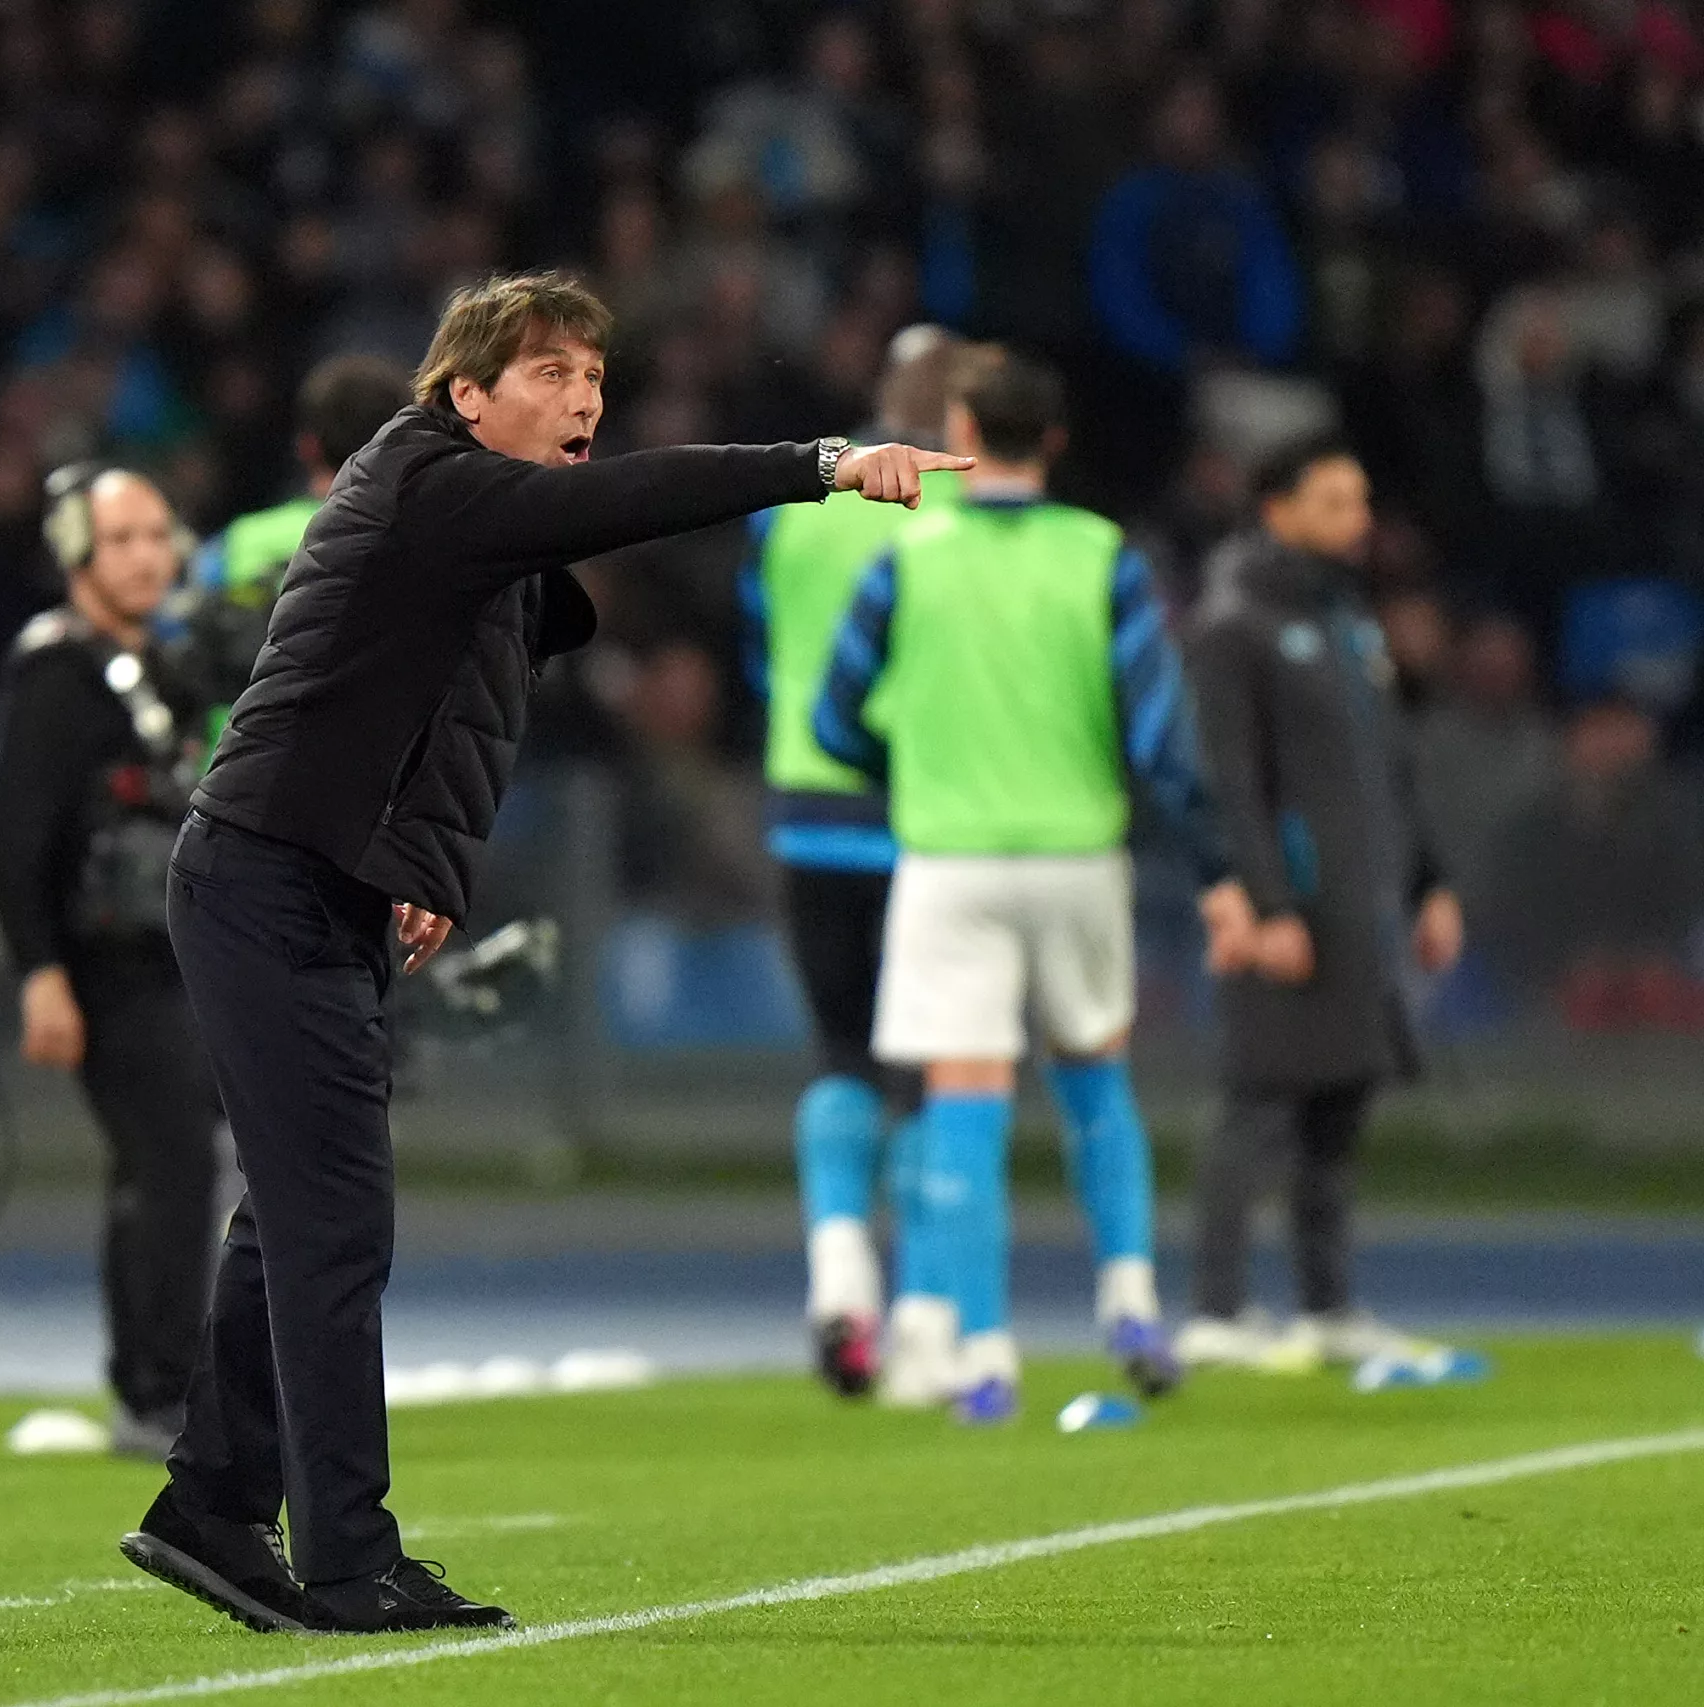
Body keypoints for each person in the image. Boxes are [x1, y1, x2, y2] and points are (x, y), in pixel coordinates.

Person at [116, 270, 966, 1635]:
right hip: (264, 877)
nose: (585, 400)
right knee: (333, 1224)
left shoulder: (471, 529)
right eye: (552, 373)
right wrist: (819, 465)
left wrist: (424, 865)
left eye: (595, 378)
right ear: (465, 395)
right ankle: (346, 1560)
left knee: (297, 1218)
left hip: (314, 878)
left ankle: (213, 1508)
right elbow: (629, 500)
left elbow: (449, 704)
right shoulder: (431, 483)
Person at [817, 348, 1252, 1423]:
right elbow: (1160, 736)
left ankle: (986, 1354)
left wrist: (914, 770)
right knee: (1095, 1080)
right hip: (1076, 857)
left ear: (962, 429)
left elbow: (835, 718)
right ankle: (1131, 1303)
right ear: (1054, 439)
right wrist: (1214, 866)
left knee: (965, 1101)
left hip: (950, 860)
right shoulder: (1103, 557)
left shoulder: (906, 560)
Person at [1178, 439, 1466, 1372]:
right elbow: (1229, 780)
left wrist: (1428, 881)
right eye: (1336, 501)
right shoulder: (1234, 622)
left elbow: (1392, 767)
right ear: (1278, 508)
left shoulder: (1347, 618)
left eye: (1361, 499)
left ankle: (1326, 1303)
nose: (1358, 519)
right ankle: (1217, 1309)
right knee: (1260, 1101)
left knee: (1342, 1102)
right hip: (1295, 903)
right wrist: (1266, 902)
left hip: (1363, 902)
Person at [0, 465, 221, 1463]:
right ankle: (155, 1390)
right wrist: (39, 973)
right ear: (77, 552)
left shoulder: (163, 667)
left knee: (172, 1168)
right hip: (107, 964)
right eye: (121, 539)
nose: (146, 557)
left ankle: (168, 1379)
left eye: (157, 536)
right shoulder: (58, 672)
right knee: (168, 1166)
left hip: (174, 958)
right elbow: (7, 839)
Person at [736, 323, 964, 1399]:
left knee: (839, 1054)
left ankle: (838, 1287)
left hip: (809, 817)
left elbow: (760, 647)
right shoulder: (957, 509)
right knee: (927, 1070)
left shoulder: (793, 505)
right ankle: (922, 1315)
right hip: (925, 817)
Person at [169, 355, 413, 730]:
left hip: (239, 752)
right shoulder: (423, 543)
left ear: (307, 446)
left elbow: (176, 634)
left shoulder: (238, 543)